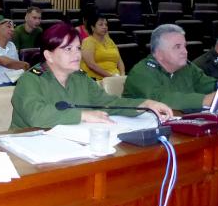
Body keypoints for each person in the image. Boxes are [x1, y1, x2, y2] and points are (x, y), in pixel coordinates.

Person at [11, 22, 172, 129]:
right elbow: (36, 115)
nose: (77, 54)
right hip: (29, 147)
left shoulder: (80, 78)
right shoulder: (30, 80)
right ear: (49, 55)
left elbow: (109, 103)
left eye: (78, 48)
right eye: (68, 49)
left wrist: (144, 104)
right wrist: (83, 115)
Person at [123, 24, 218, 111]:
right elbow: (160, 99)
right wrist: (204, 100)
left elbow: (210, 84)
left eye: (185, 46)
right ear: (159, 52)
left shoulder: (187, 68)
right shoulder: (141, 72)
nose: (185, 52)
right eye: (177, 47)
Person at [79, 14, 125, 80]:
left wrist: (122, 75)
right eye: (101, 25)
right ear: (93, 28)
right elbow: (91, 64)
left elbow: (119, 61)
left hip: (115, 77)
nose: (104, 27)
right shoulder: (88, 41)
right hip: (96, 79)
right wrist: (111, 77)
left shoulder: (110, 41)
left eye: (106, 25)